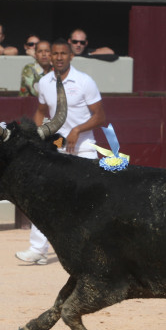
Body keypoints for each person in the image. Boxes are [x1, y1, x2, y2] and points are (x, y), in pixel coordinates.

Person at [16, 39, 107, 265]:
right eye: (54, 54)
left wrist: (77, 129)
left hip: (84, 148)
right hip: (57, 148)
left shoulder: (85, 81)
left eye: (62, 54)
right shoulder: (45, 82)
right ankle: (38, 249)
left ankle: (95, 250)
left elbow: (101, 116)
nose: (57, 57)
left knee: (86, 202)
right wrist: (38, 136)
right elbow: (41, 111)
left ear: (70, 56)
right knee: (43, 196)